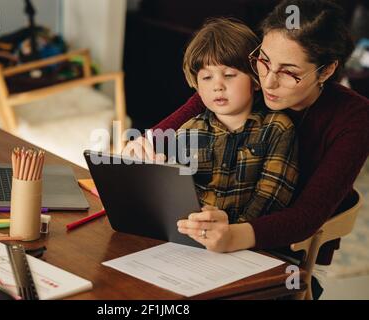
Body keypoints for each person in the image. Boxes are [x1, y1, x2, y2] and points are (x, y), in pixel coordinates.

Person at [122, 0, 369, 298]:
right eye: (262, 61)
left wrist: (233, 235)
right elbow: (175, 123)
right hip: (212, 230)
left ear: (326, 70)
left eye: (289, 72)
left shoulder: (355, 118)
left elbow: (307, 215)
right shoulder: (249, 79)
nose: (267, 81)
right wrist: (142, 147)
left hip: (288, 250)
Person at [173, 18, 298, 224]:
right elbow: (177, 193)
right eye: (207, 78)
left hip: (247, 237)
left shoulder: (277, 128)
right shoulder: (187, 132)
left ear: (256, 79)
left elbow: (272, 196)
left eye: (229, 75)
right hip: (196, 231)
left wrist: (236, 230)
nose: (218, 86)